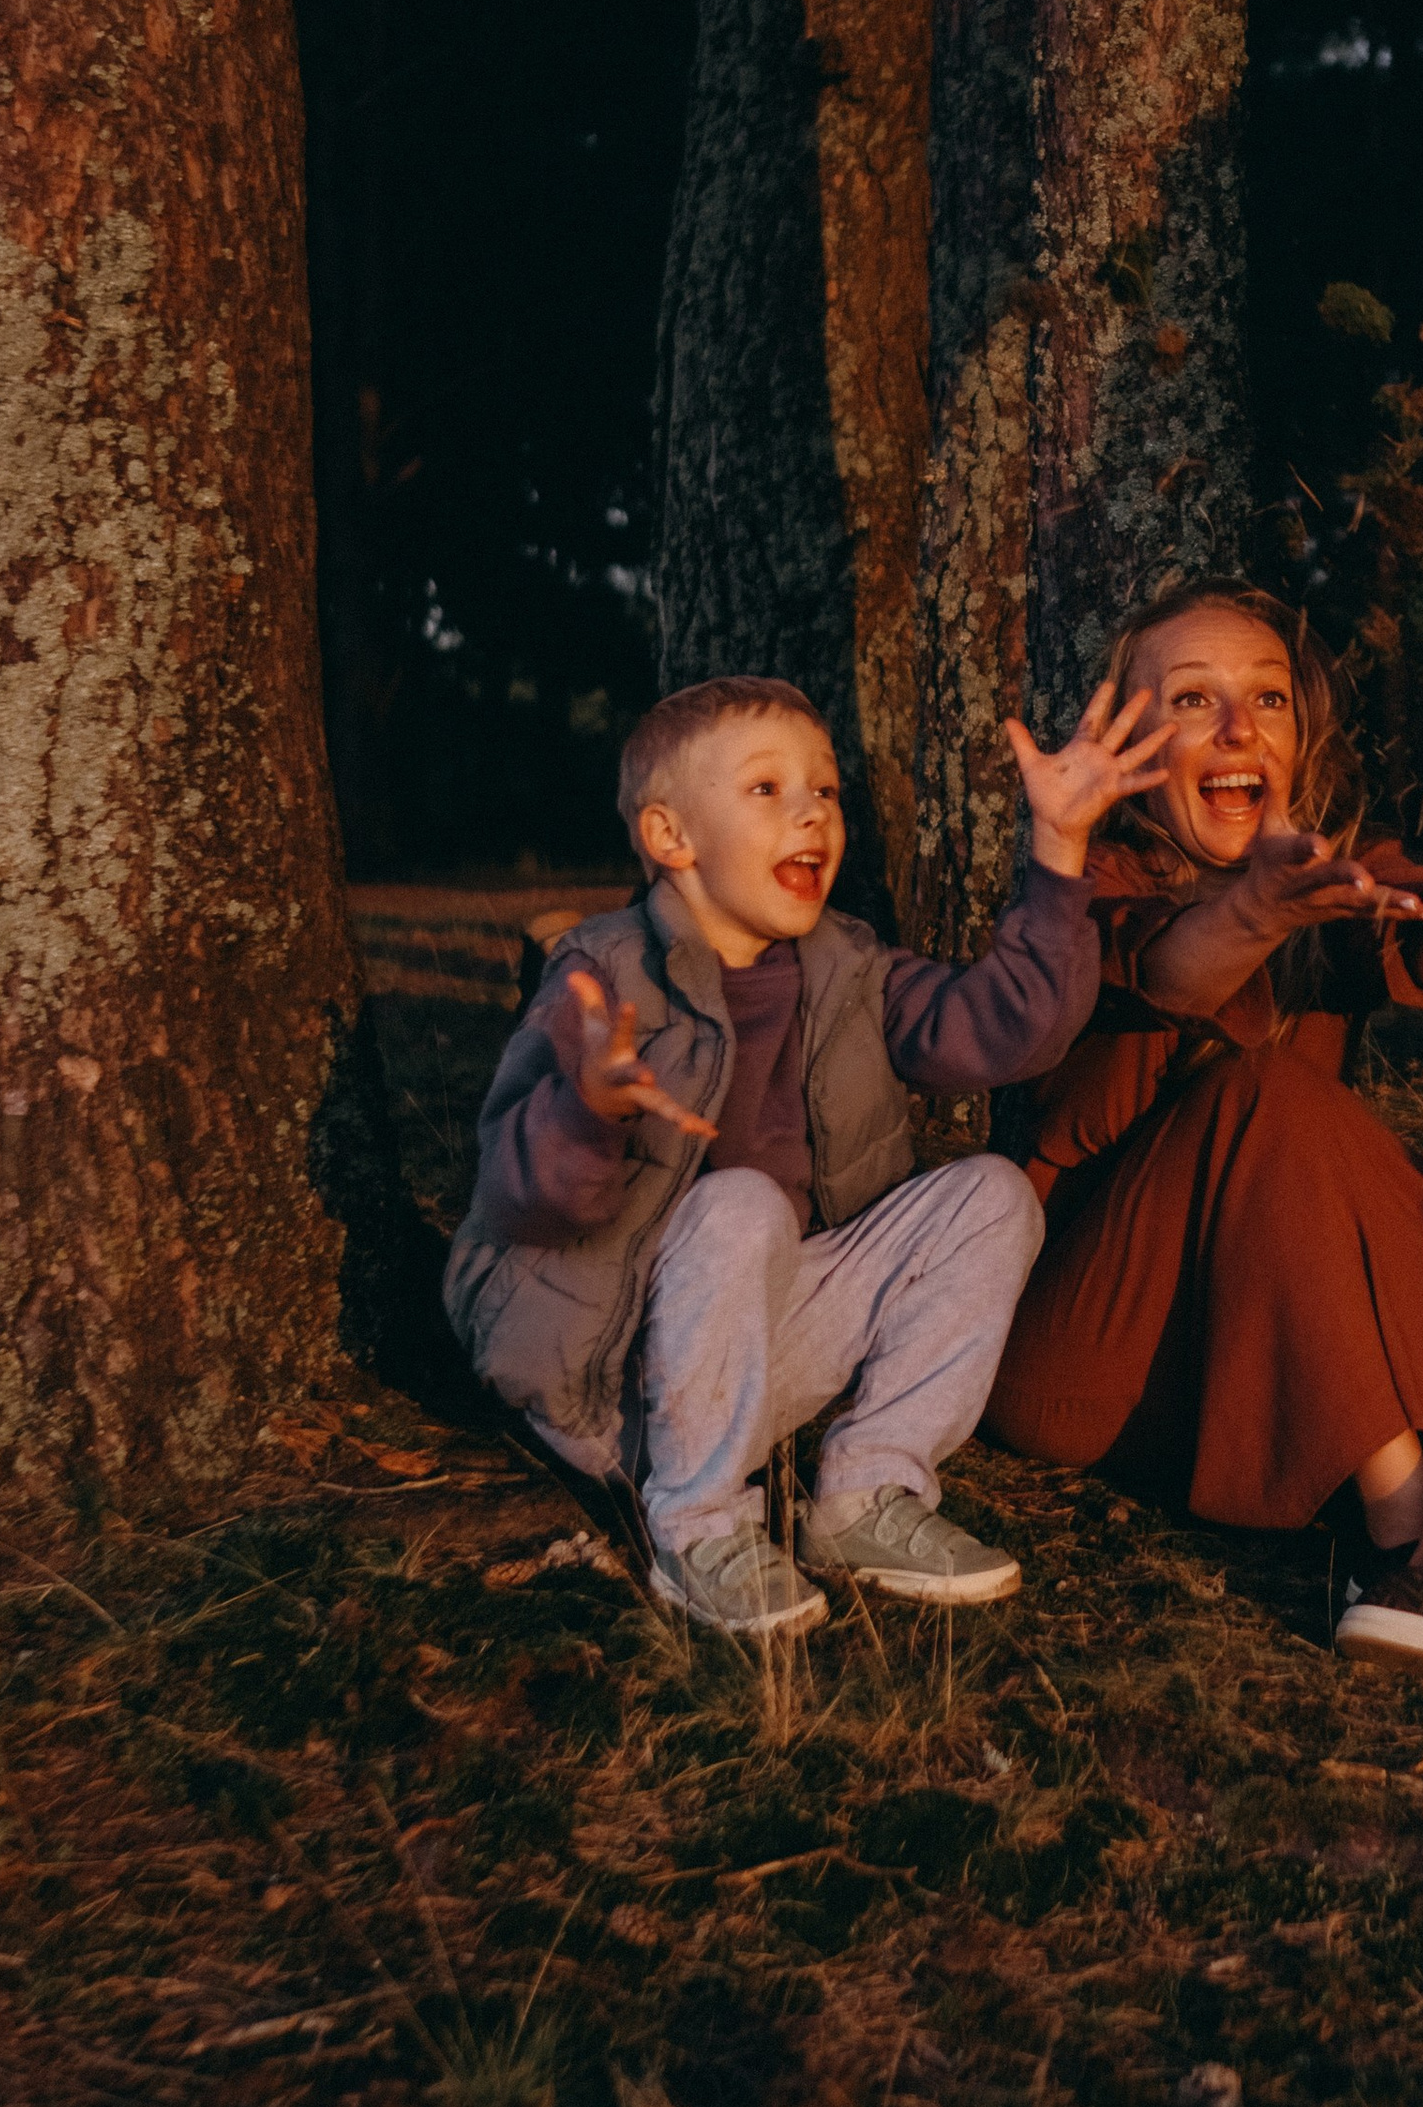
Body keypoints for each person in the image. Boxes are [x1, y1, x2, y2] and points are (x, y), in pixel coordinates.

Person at [983, 582, 1423, 1718]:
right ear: (1131, 744)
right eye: (1193, 701)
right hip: (1085, 1357)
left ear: (1304, 734)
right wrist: (1258, 911)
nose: (1239, 729)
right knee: (1266, 1098)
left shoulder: (1330, 863)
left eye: (1268, 699)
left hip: (1246, 1351)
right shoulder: (1084, 885)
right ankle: (1388, 1538)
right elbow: (1168, 974)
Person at [445, 672, 1164, 1641]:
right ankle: (697, 1529)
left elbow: (1002, 1035)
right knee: (741, 1204)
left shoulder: (847, 968)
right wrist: (587, 1110)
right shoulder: (605, 978)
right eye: (766, 790)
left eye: (823, 791)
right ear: (669, 839)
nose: (811, 815)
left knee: (991, 1194)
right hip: (608, 1385)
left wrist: (1059, 850)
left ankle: (866, 1493)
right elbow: (520, 1200)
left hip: (751, 1369)